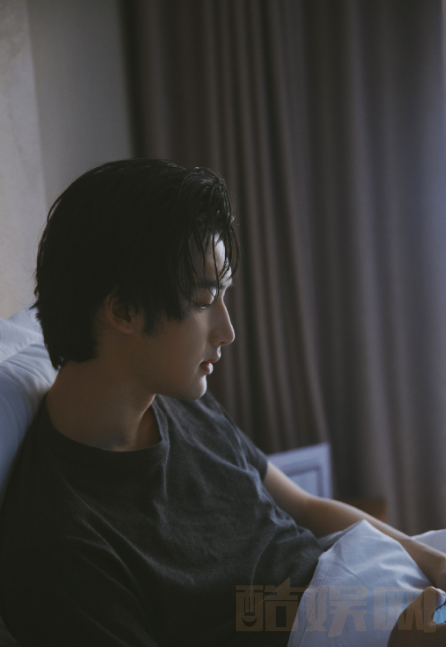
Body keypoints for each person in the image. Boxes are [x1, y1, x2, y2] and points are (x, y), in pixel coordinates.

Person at [0, 159, 445, 647]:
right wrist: (391, 633)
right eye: (203, 300)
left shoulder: (178, 401)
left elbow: (305, 507)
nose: (227, 331)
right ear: (124, 309)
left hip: (359, 580)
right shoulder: (63, 545)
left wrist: (432, 563)